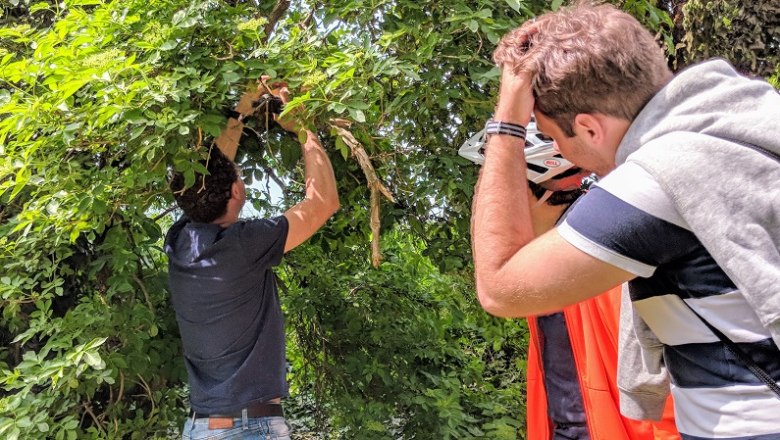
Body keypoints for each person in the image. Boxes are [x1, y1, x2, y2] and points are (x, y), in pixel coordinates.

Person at [470, 2, 780, 439]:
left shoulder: (661, 179)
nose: (562, 153)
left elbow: (501, 289)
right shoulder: (746, 118)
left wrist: (506, 126)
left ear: (589, 128)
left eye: (555, 138)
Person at [460, 122, 678, 439]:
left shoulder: (607, 261)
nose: (488, 210)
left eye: (499, 194)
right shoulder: (543, 270)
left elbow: (667, 396)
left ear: (537, 190)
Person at [165, 79, 339, 439]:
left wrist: (242, 106)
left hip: (200, 428)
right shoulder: (244, 244)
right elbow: (323, 203)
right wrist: (302, 126)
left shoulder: (181, 241)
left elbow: (209, 177)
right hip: (250, 428)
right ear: (237, 191)